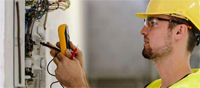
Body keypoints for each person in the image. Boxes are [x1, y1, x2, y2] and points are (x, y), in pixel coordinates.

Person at [47, 0, 200, 88]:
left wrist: (76, 84)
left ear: (179, 32)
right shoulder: (155, 86)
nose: (142, 31)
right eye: (145, 22)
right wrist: (80, 76)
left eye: (152, 23)